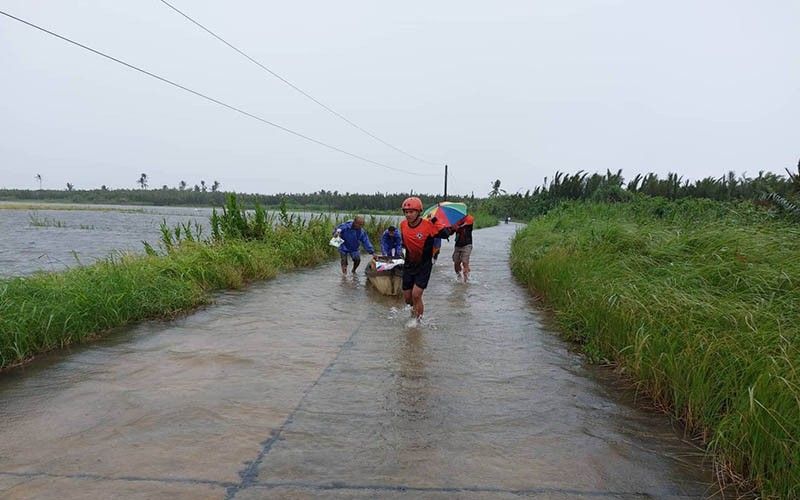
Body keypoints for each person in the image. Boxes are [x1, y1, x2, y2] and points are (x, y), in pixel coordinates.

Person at [399, 197, 453, 320]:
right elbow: (404, 243)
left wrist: (435, 220)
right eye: (406, 212)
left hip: (424, 265)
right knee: (408, 299)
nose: (408, 215)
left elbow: (445, 234)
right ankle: (414, 311)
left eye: (411, 212)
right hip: (409, 265)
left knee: (416, 295)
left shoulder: (428, 225)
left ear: (418, 212)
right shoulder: (402, 225)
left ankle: (418, 323)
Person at [453, 214, 474, 282]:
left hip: (467, 245)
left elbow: (469, 221)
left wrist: (459, 226)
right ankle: (459, 277)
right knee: (456, 263)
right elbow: (450, 231)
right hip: (458, 245)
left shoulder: (469, 219)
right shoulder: (455, 221)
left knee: (465, 262)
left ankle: (466, 281)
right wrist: (453, 227)